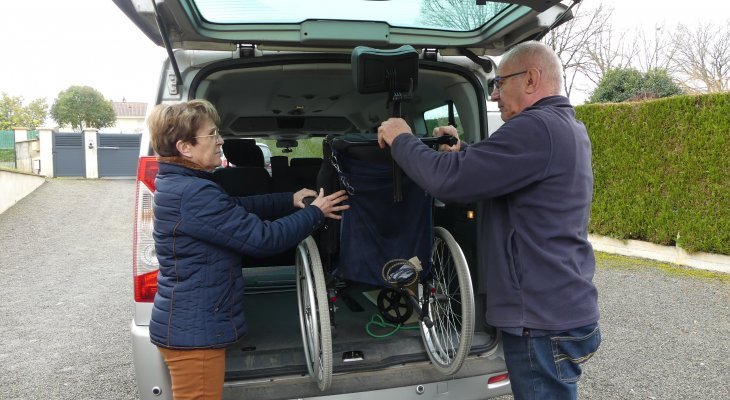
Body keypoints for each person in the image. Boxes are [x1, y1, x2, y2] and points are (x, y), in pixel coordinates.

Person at [377, 41, 600, 400]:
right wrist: (463, 152)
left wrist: (401, 138)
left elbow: (447, 181)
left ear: (530, 79)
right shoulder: (562, 126)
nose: (494, 95)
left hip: (539, 320)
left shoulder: (536, 128)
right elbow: (503, 171)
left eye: (500, 83)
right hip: (558, 306)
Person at [147, 99, 349, 400]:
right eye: (213, 135)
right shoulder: (193, 193)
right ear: (185, 147)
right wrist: (314, 213)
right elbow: (262, 239)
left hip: (189, 322)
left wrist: (287, 199)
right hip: (194, 333)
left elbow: (234, 209)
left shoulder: (185, 184)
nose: (221, 141)